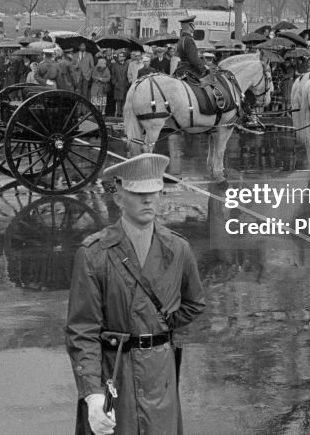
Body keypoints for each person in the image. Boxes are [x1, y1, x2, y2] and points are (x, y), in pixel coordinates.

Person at [66, 153, 205, 435]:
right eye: (138, 193)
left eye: (154, 192)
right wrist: (92, 394)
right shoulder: (94, 254)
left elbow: (193, 303)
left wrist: (158, 328)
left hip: (159, 373)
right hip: (115, 372)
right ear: (119, 198)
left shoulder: (178, 249)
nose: (148, 200)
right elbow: (83, 329)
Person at [110, 52, 129, 116]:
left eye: (121, 56)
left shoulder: (127, 64)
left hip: (125, 84)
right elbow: (112, 75)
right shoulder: (114, 65)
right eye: (119, 56)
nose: (120, 57)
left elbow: (128, 74)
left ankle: (123, 112)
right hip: (117, 85)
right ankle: (118, 112)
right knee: (118, 100)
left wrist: (127, 83)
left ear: (124, 57)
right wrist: (115, 83)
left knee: (124, 99)